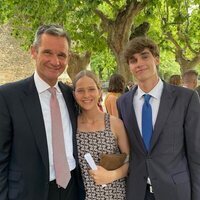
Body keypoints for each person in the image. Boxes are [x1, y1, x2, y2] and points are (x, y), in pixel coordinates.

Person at [0, 24, 84, 200]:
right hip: (29, 193)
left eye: (61, 55)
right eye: (47, 52)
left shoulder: (71, 95)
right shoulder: (8, 96)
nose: (55, 61)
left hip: (72, 190)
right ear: (33, 52)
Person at [117, 36, 200, 200]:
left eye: (144, 56)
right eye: (133, 60)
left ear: (157, 59)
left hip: (175, 191)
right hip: (137, 191)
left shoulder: (186, 98)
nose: (139, 63)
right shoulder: (123, 102)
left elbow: (196, 153)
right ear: (129, 67)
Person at [73, 70, 130, 200]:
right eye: (80, 90)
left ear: (99, 91)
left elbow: (131, 160)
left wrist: (112, 175)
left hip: (115, 195)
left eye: (91, 89)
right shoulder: (71, 125)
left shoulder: (115, 124)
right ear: (74, 94)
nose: (86, 95)